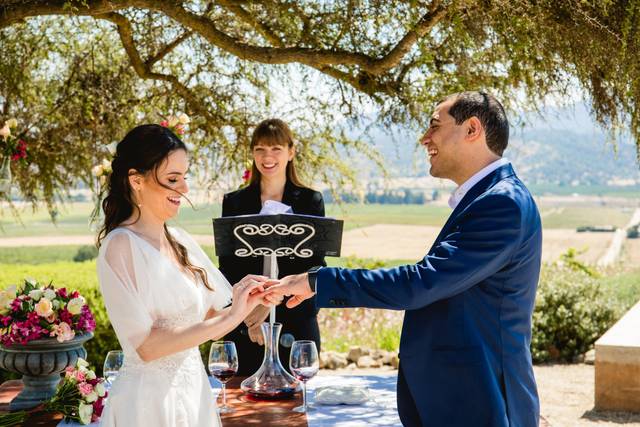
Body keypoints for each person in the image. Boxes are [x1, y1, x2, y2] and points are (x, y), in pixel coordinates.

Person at [265, 92, 542, 427]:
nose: (424, 138)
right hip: (461, 396)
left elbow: (420, 283)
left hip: (482, 399)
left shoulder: (502, 204)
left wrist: (317, 280)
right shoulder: (492, 198)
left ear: (472, 129)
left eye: (435, 126)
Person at [96, 124, 272, 427]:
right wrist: (231, 318)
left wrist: (249, 298)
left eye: (184, 178)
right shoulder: (120, 246)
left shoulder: (180, 240)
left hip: (195, 395)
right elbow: (147, 347)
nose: (184, 189)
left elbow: (213, 323)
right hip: (148, 405)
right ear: (136, 180)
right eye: (172, 179)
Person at [218, 118, 325, 375]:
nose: (268, 156)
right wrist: (251, 310)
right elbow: (228, 267)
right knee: (242, 405)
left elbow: (315, 266)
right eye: (260, 149)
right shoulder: (234, 203)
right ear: (253, 154)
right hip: (245, 324)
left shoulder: (311, 201)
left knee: (298, 405)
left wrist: (270, 305)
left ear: (291, 152)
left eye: (276, 149)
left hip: (296, 322)